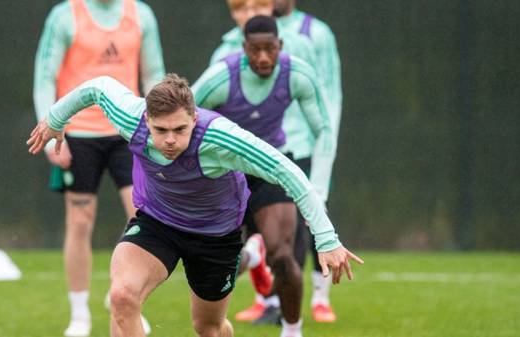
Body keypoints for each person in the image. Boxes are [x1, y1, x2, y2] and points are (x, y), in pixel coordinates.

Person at [26, 74, 363, 337]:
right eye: (160, 130)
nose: (170, 140)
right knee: (122, 297)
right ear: (146, 120)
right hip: (158, 223)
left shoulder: (221, 138)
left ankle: (239, 280)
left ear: (194, 117)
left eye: (180, 129)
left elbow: (288, 172)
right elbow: (97, 87)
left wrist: (327, 238)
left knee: (209, 328)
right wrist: (55, 119)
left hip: (215, 237)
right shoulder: (129, 118)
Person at [192, 15, 335, 333]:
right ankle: (251, 258)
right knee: (216, 265)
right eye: (255, 50)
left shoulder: (297, 74)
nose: (263, 58)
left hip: (271, 167)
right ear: (244, 48)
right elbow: (184, 119)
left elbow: (324, 130)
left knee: (283, 255)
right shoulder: (221, 78)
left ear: (280, 46)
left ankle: (292, 330)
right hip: (227, 172)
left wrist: (319, 190)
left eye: (269, 49)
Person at [32, 0, 164, 335]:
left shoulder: (141, 14)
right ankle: (79, 315)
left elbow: (153, 76)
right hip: (76, 134)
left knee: (142, 216)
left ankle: (124, 298)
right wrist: (50, 134)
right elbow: (44, 77)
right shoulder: (65, 15)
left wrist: (159, 128)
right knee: (79, 219)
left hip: (127, 131)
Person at [274, 0, 343, 323]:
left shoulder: (316, 33)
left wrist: (326, 142)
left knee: (313, 217)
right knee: (277, 227)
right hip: (269, 146)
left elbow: (331, 92)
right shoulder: (250, 31)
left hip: (305, 143)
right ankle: (274, 302)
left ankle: (321, 295)